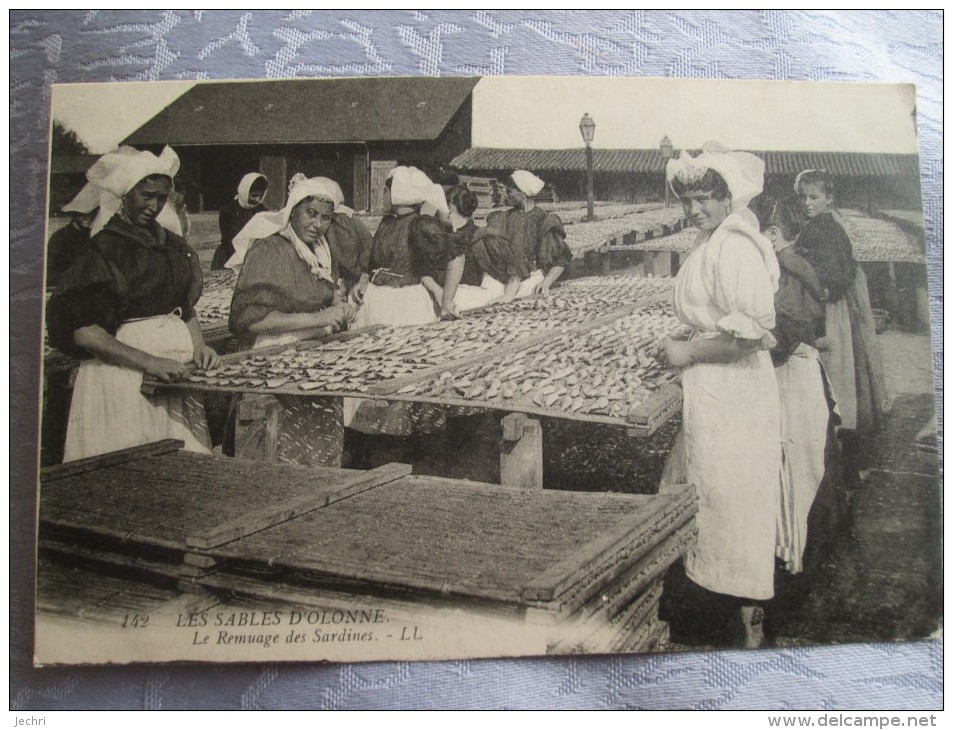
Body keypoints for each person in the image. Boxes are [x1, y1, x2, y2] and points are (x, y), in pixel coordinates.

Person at [658, 143, 782, 647]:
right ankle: (714, 604)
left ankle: (739, 620)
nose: (695, 210)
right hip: (713, 389)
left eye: (706, 198)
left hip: (736, 393)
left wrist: (686, 355)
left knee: (729, 500)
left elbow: (749, 336)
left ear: (729, 196)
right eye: (687, 200)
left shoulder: (735, 246)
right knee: (704, 491)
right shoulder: (712, 242)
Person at [46, 146, 218, 462]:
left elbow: (184, 307)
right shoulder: (105, 249)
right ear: (126, 195)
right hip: (122, 371)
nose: (154, 206)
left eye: (161, 198)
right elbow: (84, 332)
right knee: (130, 456)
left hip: (173, 371)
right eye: (146, 195)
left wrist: (200, 346)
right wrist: (148, 362)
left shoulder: (173, 245)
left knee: (178, 461)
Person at [224, 176, 357, 467]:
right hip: (277, 355)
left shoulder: (319, 249)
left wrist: (337, 304)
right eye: (311, 214)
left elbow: (314, 293)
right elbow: (248, 320)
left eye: (326, 218)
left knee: (318, 453)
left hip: (316, 357)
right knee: (279, 450)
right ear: (293, 210)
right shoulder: (271, 249)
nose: (317, 224)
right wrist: (318, 317)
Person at [755, 195, 832, 575]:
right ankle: (790, 551)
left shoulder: (787, 271)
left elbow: (782, 336)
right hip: (802, 368)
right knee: (801, 461)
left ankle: (787, 559)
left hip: (792, 373)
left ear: (772, 233)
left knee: (792, 462)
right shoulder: (795, 262)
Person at [795, 169, 888, 438]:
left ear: (829, 198)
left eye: (814, 197)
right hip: (838, 307)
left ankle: (835, 431)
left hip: (830, 308)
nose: (807, 203)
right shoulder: (828, 226)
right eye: (803, 197)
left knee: (835, 368)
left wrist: (813, 281)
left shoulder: (822, 229)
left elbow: (837, 274)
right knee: (843, 366)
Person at [351, 166, 443, 329]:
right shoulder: (386, 223)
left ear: (398, 193)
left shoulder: (420, 224)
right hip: (376, 299)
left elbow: (440, 262)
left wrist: (442, 295)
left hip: (405, 302)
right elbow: (372, 261)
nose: (382, 196)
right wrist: (364, 280)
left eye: (385, 191)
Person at [438, 184, 527, 318]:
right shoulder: (445, 237)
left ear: (450, 207)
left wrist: (507, 296)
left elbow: (516, 268)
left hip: (470, 303)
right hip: (450, 302)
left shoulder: (483, 237)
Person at [485, 169, 572, 298]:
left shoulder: (543, 220)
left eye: (510, 191)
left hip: (532, 276)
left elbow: (560, 259)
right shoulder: (505, 218)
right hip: (508, 276)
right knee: (487, 298)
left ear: (523, 193)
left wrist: (546, 282)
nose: (507, 195)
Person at [46, 182, 99, 288]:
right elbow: (49, 274)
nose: (88, 218)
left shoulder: (93, 236)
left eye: (92, 213)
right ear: (74, 214)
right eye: (82, 214)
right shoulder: (60, 238)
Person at [212, 172, 268, 270]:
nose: (257, 199)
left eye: (260, 196)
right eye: (254, 195)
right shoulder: (229, 210)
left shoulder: (261, 211)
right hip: (228, 255)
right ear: (245, 191)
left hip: (252, 256)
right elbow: (227, 238)